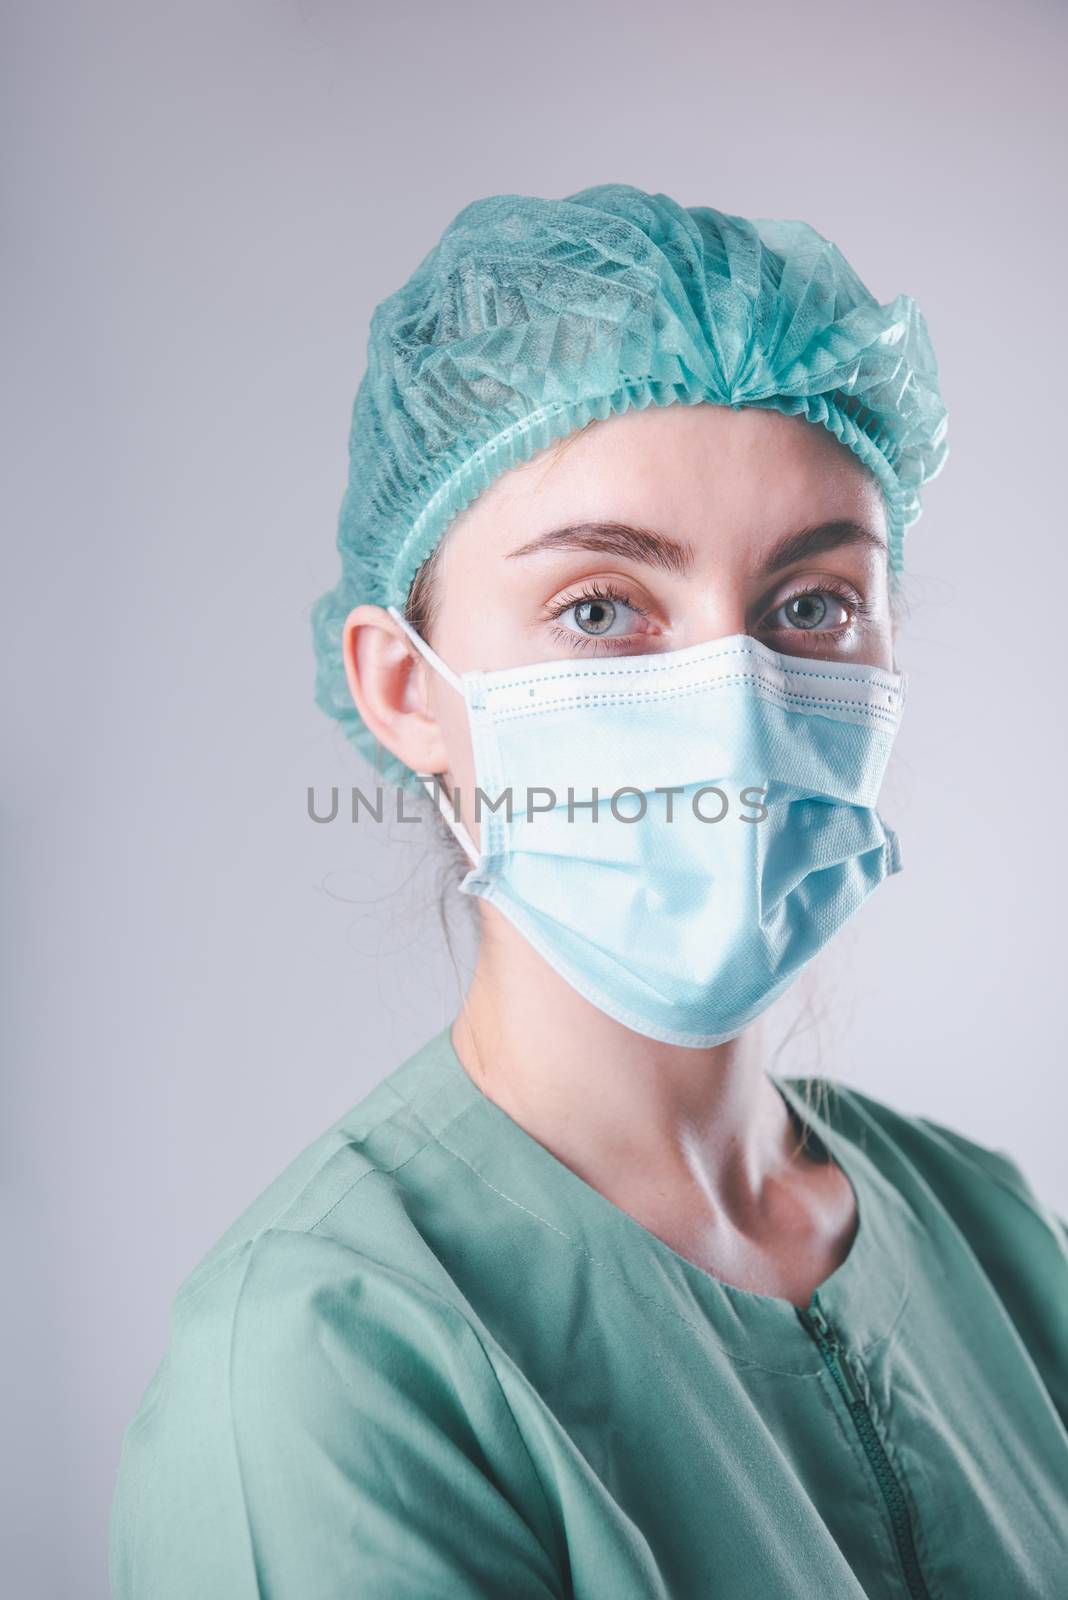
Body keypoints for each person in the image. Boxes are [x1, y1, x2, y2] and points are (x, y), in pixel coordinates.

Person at [108, 185, 1068, 1598]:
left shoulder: (985, 1230)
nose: (735, 713)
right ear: (405, 691)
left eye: (812, 605)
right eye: (602, 607)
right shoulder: (335, 1360)